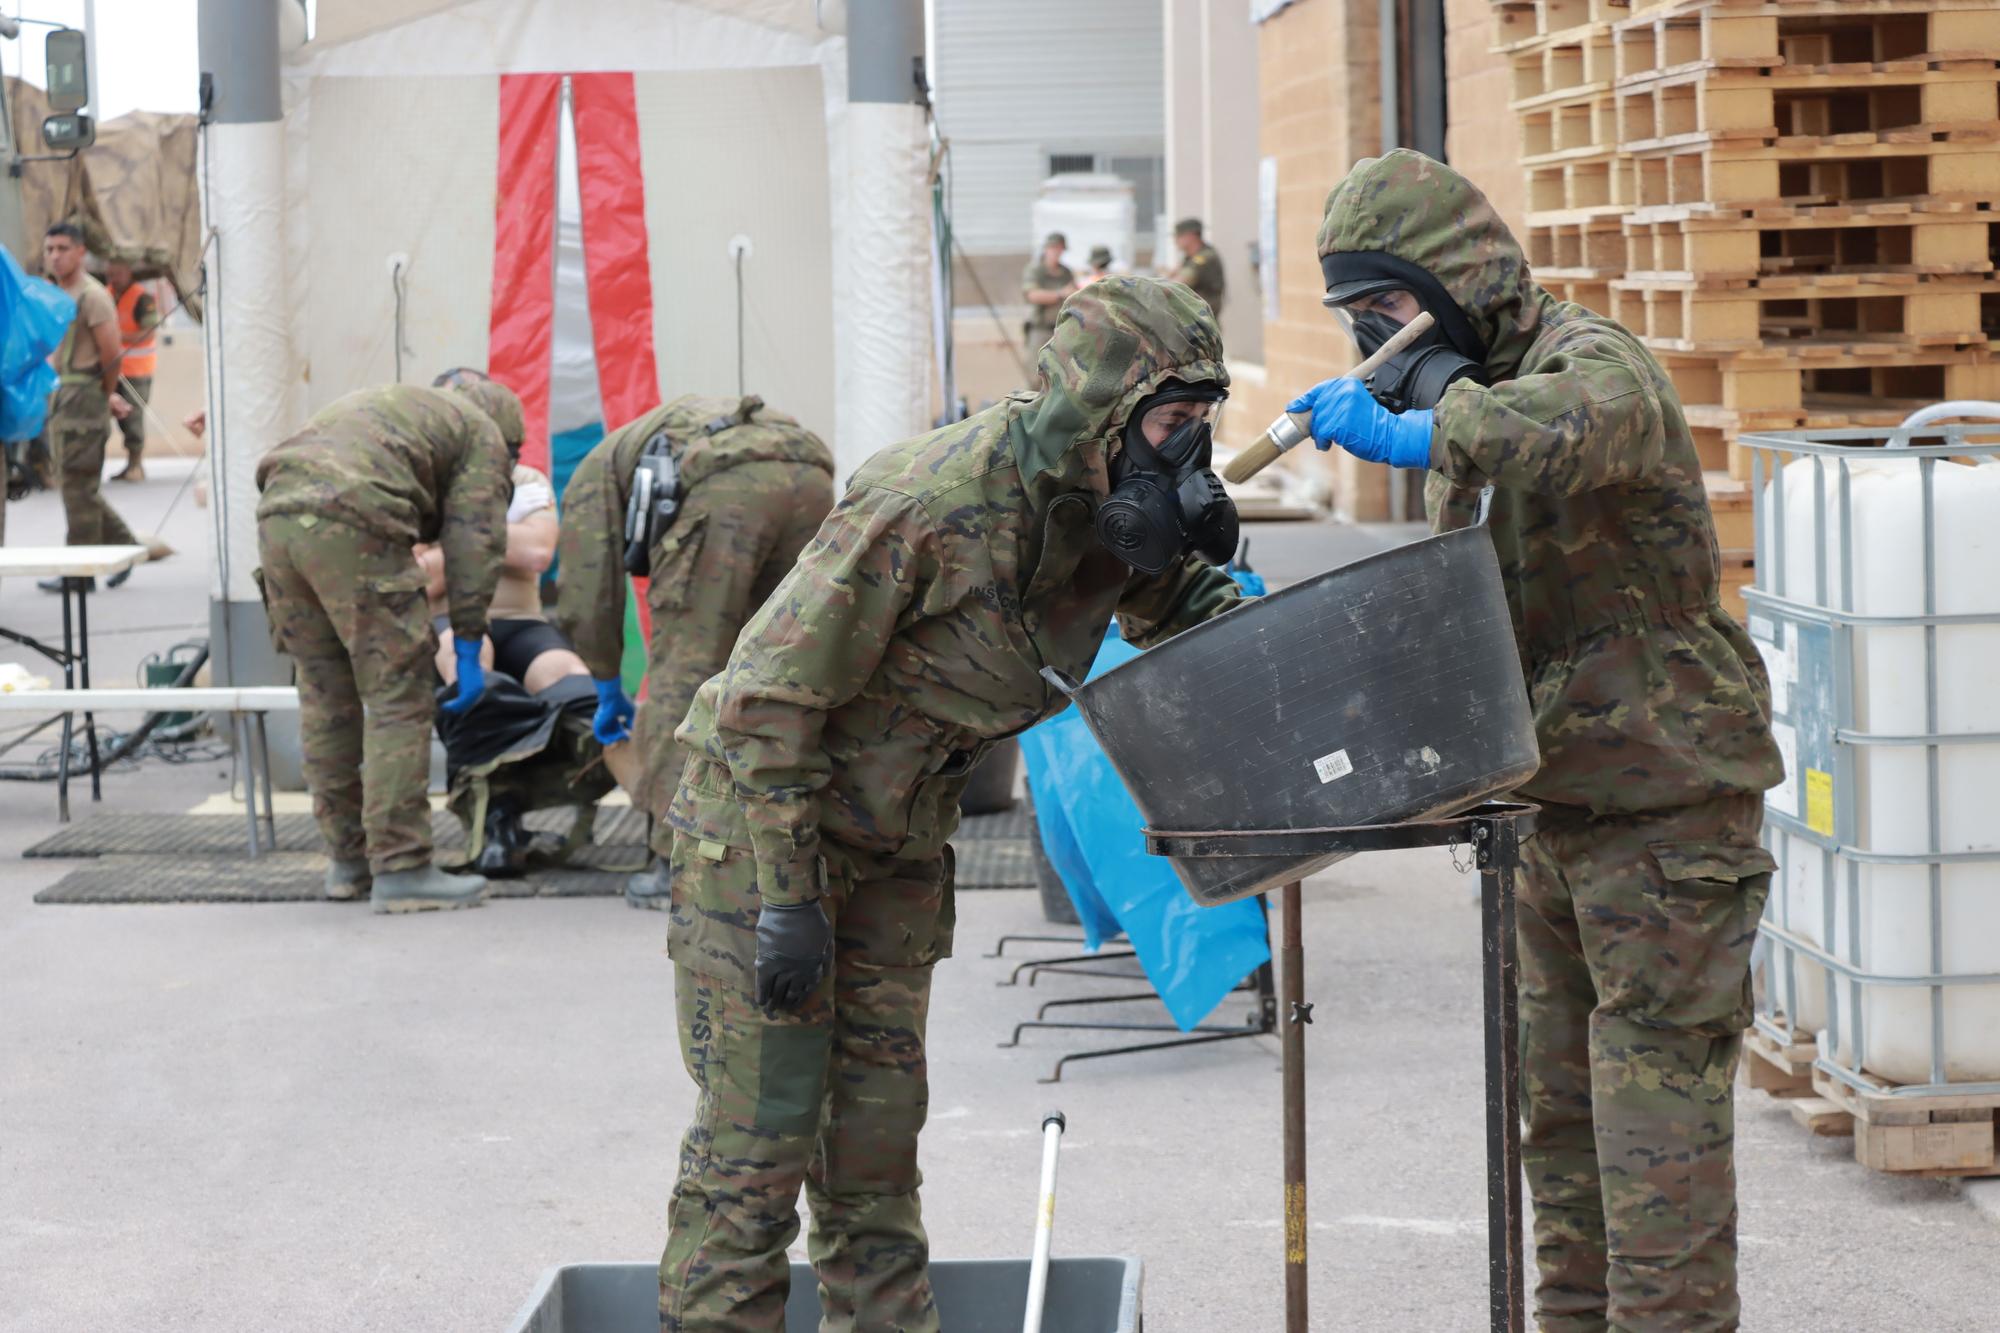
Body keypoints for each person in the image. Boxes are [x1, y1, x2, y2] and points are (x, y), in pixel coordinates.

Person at [656, 277, 1244, 1331]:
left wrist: (1216, 578)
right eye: (1169, 423)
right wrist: (788, 899)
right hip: (764, 828)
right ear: (1100, 411)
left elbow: (1174, 617)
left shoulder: (1105, 508)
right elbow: (762, 705)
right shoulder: (930, 505)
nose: (1182, 452)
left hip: (894, 841)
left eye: (1199, 426)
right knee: (760, 1145)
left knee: (874, 1154)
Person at [1287, 149, 1782, 1332]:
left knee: (1651, 1143)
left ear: (1454, 286)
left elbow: (1563, 434)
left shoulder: (1589, 365)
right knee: (1556, 1134)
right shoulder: (1458, 423)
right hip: (1546, 814)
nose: (1377, 340)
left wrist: (1424, 428)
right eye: (1357, 320)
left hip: (1663, 814)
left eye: (1388, 311)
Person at [551, 393, 835, 911]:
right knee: (790, 672)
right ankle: (798, 847)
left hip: (725, 493)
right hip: (811, 475)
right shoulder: (688, 427)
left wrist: (606, 682)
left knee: (683, 678)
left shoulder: (598, 470)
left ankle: (675, 862)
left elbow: (588, 588)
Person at [254, 377, 521, 913]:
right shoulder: (481, 432)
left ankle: (347, 860)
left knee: (326, 698)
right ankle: (402, 866)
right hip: (354, 518)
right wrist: (468, 640)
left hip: (277, 518)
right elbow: (476, 542)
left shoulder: (405, 409)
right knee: (398, 696)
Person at [37, 223, 166, 592]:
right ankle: (124, 545)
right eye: (50, 249)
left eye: (63, 248)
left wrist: (102, 393)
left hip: (83, 399)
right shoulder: (60, 293)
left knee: (77, 487)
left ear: (80, 252)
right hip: (65, 396)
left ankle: (79, 574)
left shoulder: (92, 297)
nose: (55, 256)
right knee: (77, 486)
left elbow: (111, 356)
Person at [105, 251, 159, 483]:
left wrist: (116, 336)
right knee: (107, 416)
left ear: (128, 273)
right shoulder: (104, 295)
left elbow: (149, 330)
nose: (113, 278)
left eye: (117, 274)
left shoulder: (142, 298)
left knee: (132, 417)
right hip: (111, 369)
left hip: (137, 370)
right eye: (110, 274)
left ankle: (135, 464)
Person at [1018, 230, 1076, 357]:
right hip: (1040, 329)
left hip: (1061, 331)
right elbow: (1033, 295)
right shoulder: (1035, 270)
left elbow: (1074, 295)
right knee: (1036, 372)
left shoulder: (1066, 272)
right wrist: (1060, 294)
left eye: (1060, 249)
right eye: (1053, 248)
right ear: (1046, 248)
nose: (1057, 252)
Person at [1169, 217, 1225, 317]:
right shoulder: (1190, 258)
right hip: (1192, 318)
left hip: (1201, 322)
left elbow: (1176, 284)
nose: (1175, 240)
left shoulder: (1205, 257)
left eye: (1179, 236)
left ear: (1191, 236)